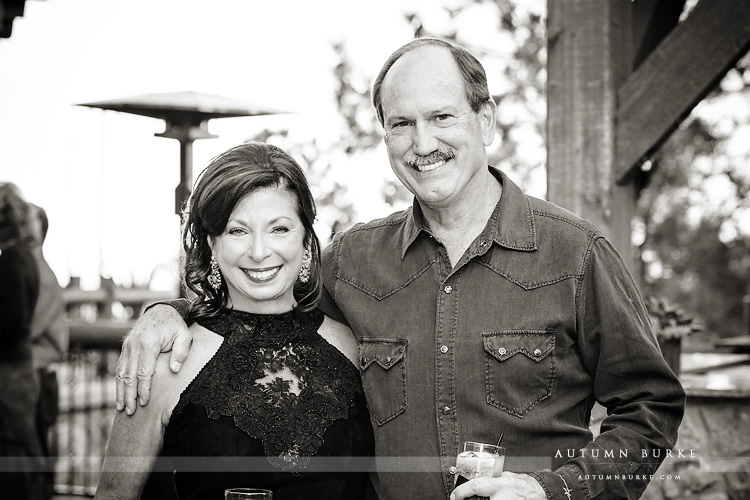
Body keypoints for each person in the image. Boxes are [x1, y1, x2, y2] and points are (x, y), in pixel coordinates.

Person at [116, 38, 685, 500]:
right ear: (384, 134)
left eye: (442, 117)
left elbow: (650, 407)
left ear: (485, 120)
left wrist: (556, 491)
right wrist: (170, 311)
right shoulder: (352, 260)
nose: (423, 142)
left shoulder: (576, 255)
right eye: (401, 123)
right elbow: (263, 307)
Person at [94, 142, 374, 500]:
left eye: (279, 229)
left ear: (306, 239)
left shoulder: (353, 345)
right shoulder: (166, 363)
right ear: (213, 243)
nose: (259, 252)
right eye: (237, 231)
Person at [0, 183, 44, 499]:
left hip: (10, 369)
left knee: (14, 448)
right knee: (24, 446)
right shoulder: (26, 256)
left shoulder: (11, 260)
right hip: (22, 365)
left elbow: (12, 321)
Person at [27, 203, 69, 500]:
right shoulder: (34, 272)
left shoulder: (40, 276)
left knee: (33, 457)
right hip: (34, 377)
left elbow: (25, 329)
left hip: (37, 380)